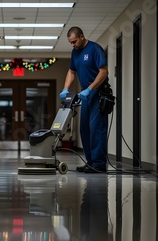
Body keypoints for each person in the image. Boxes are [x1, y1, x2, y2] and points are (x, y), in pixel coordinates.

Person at [60, 26, 109, 173]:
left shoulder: (95, 49)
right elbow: (71, 71)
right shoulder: (75, 52)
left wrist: (90, 88)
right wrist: (65, 89)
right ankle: (90, 162)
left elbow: (104, 72)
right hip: (85, 94)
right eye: (70, 43)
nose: (73, 45)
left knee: (96, 129)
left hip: (97, 92)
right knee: (85, 129)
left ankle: (99, 164)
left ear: (82, 36)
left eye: (74, 41)